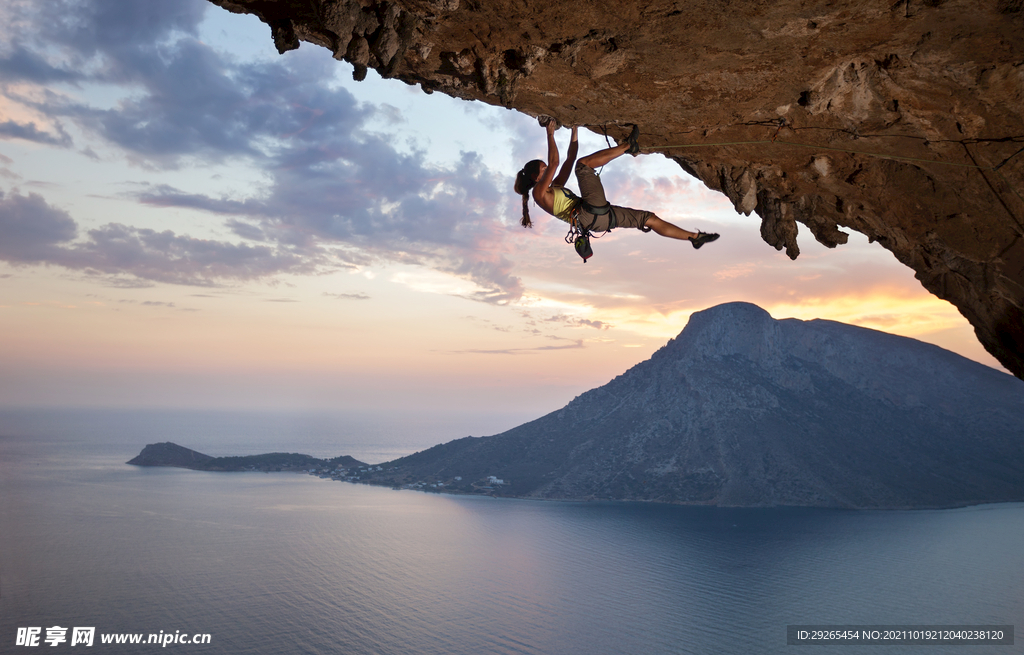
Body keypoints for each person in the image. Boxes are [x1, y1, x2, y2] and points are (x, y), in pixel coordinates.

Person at [514, 120, 720, 248]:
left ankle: (694, 237)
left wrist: (574, 128)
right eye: (542, 169)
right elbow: (556, 162)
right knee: (583, 166)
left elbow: (569, 158)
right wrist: (549, 134)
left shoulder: (554, 188)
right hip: (588, 213)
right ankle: (628, 146)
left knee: (649, 219)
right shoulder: (539, 195)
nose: (547, 170)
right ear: (534, 177)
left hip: (598, 220)